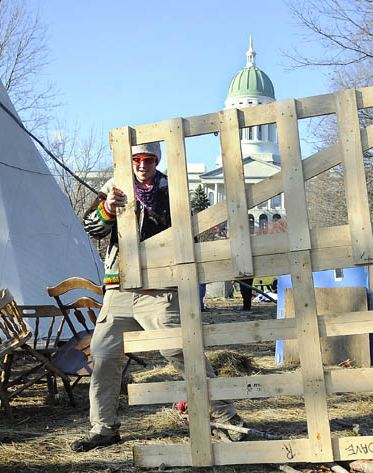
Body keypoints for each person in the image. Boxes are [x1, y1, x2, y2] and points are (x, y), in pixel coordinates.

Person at [72, 142, 245, 452]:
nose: (141, 165)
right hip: (118, 290)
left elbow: (188, 237)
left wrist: (156, 210)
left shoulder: (171, 189)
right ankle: (104, 429)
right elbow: (92, 228)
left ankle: (227, 419)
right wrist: (108, 208)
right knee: (103, 355)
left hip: (161, 291)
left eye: (148, 160)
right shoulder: (112, 187)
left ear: (156, 161)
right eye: (136, 160)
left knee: (182, 353)